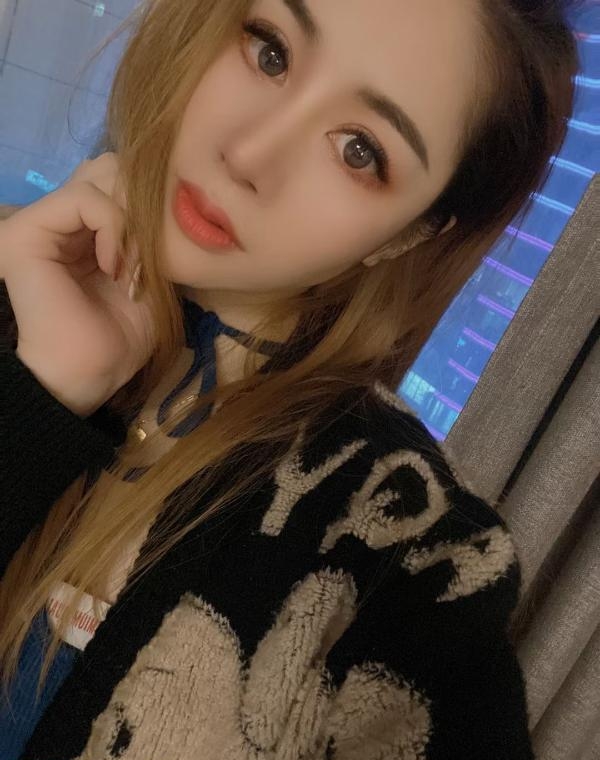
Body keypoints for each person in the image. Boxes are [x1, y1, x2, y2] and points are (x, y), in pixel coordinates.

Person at [0, 0, 579, 757]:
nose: (247, 154)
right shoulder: (16, 276)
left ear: (407, 233)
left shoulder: (403, 557)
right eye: (269, 52)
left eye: (360, 150)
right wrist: (40, 391)